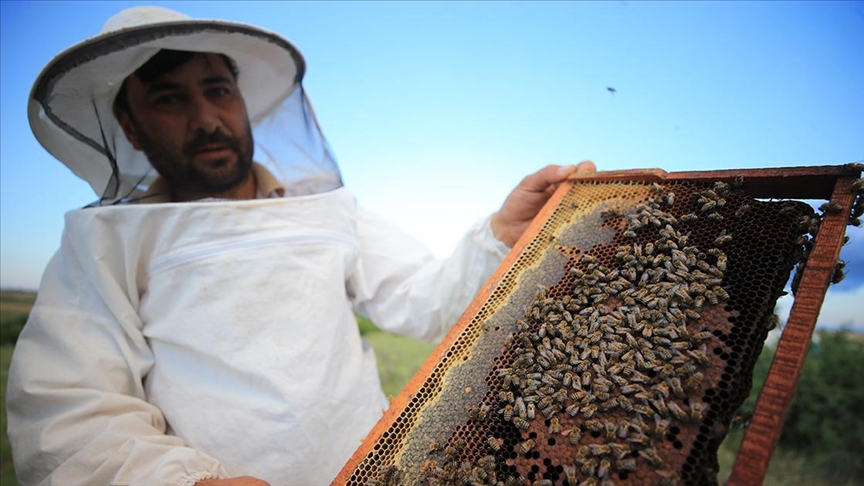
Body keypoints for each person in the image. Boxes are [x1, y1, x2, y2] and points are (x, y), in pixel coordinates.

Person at [7, 6, 596, 486]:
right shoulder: (105, 242)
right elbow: (68, 412)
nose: (207, 118)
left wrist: (499, 235)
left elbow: (428, 301)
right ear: (130, 128)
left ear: (243, 102)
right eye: (169, 100)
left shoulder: (326, 211)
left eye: (218, 90)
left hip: (376, 471)